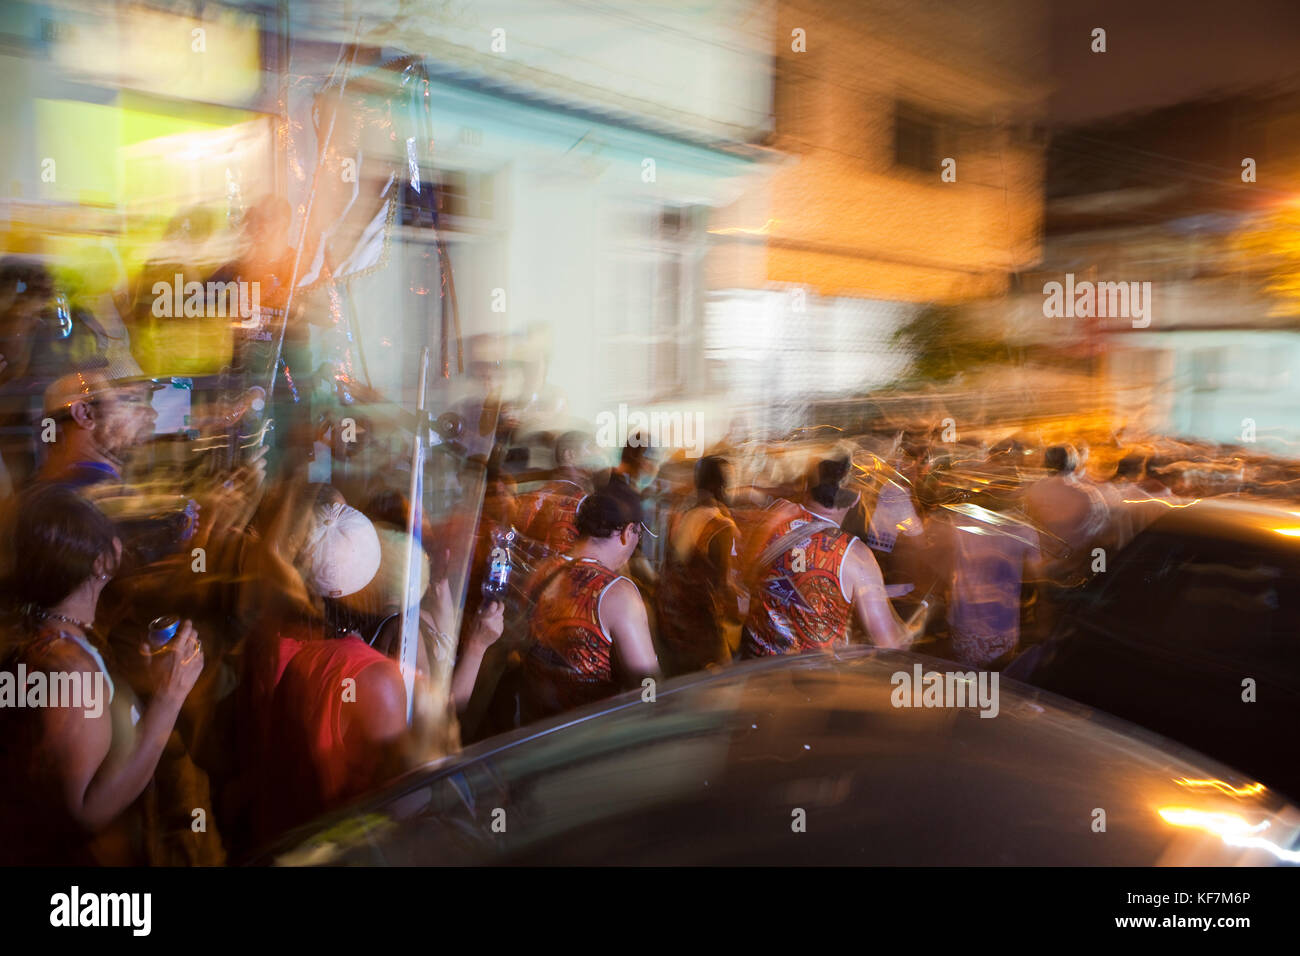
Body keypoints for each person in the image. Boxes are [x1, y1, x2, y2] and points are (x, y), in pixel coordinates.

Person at [0, 484, 205, 864]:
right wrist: (169, 699)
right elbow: (86, 813)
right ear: (99, 562)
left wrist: (145, 685)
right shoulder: (71, 669)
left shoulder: (57, 636)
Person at [740, 455, 911, 657]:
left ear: (806, 485)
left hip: (753, 673)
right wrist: (909, 631)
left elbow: (746, 581)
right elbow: (889, 643)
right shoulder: (855, 556)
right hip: (810, 683)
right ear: (856, 498)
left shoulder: (774, 517)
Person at [521, 482, 660, 721]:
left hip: (535, 733)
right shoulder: (618, 595)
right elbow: (647, 685)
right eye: (639, 534)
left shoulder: (541, 572)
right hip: (588, 741)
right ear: (628, 533)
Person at [655, 456, 746, 675]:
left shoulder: (684, 515)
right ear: (719, 486)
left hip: (670, 622)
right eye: (729, 482)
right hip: (703, 631)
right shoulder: (720, 526)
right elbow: (723, 585)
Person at [513, 430, 594, 555]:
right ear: (569, 455)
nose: (593, 456)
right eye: (588, 449)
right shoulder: (579, 501)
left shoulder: (537, 494)